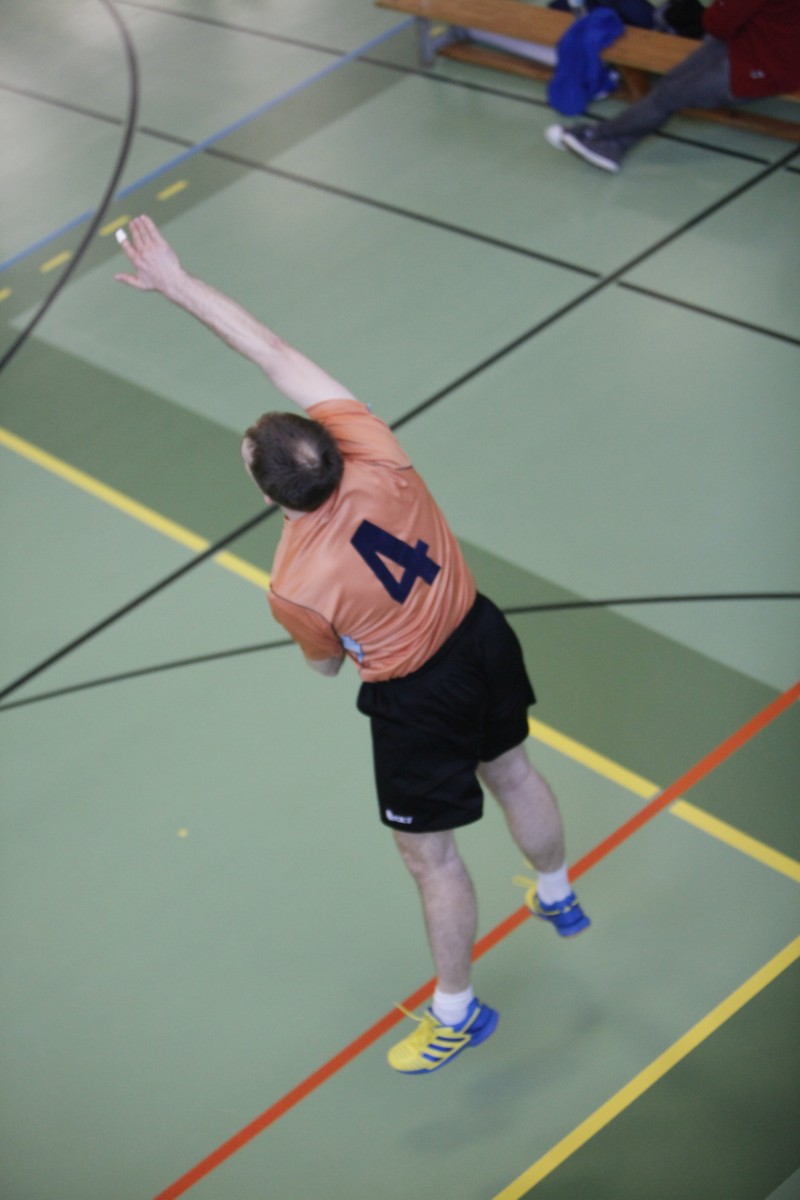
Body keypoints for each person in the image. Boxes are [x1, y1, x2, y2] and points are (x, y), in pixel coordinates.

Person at [115, 216, 590, 1075]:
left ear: (272, 496)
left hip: (418, 697)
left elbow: (328, 663)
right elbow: (270, 349)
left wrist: (350, 645)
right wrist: (179, 283)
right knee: (515, 771)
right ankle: (558, 894)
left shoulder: (295, 581)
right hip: (482, 633)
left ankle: (457, 1011)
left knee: (430, 858)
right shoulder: (374, 447)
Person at [546, 0, 800, 172]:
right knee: (671, 85)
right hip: (745, 45)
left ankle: (601, 138)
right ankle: (608, 141)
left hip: (767, 67)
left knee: (669, 97)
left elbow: (717, 22)